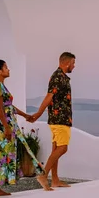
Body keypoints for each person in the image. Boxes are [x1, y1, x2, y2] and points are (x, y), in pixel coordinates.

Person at [0, 59, 52, 198]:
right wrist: (6, 127)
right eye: (6, 67)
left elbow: (9, 107)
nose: (8, 69)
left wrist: (25, 115)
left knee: (2, 155)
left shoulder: (1, 86)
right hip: (1, 127)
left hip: (6, 124)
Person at [32, 52, 76, 189]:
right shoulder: (58, 77)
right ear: (67, 63)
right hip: (59, 119)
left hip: (60, 119)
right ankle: (43, 175)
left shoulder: (61, 77)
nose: (74, 66)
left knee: (56, 148)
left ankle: (55, 180)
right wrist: (38, 113)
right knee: (63, 148)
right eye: (73, 63)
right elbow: (49, 96)